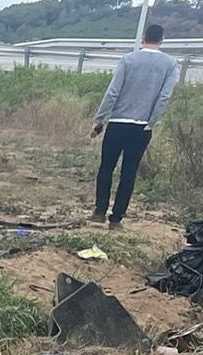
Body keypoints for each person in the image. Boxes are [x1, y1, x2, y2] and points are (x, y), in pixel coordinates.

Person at [91, 24, 180, 229]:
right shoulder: (169, 64)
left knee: (106, 167)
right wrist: (151, 122)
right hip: (142, 127)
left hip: (118, 123)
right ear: (162, 40)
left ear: (143, 38)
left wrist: (99, 119)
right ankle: (116, 219)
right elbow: (164, 97)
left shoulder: (128, 60)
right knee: (129, 172)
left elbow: (113, 92)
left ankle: (99, 211)